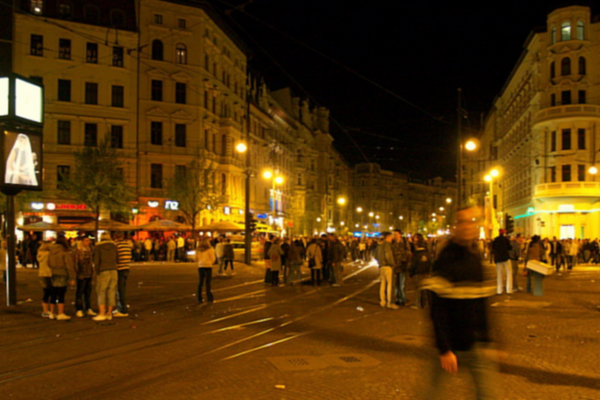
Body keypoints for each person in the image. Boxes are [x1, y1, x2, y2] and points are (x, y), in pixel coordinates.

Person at [422, 207, 499, 399]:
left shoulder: (475, 257)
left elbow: (482, 304)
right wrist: (444, 348)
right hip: (452, 342)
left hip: (476, 344)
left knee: (488, 395)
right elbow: (437, 309)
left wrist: (490, 340)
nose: (468, 226)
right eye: (462, 222)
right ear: (455, 227)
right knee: (431, 395)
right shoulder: (445, 260)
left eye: (472, 221)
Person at [48, 236, 76, 321]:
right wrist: (72, 277)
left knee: (53, 294)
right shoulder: (65, 252)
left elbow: (48, 263)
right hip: (63, 273)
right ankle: (60, 313)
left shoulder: (51, 251)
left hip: (53, 273)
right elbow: (69, 265)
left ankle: (52, 313)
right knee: (61, 294)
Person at [92, 232, 119, 321]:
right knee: (112, 291)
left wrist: (96, 272)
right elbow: (117, 259)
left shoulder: (98, 247)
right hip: (114, 270)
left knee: (101, 291)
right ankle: (109, 313)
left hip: (103, 270)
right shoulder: (114, 247)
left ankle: (102, 313)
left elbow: (96, 261)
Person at [410, 233, 432, 309]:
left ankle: (417, 304)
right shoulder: (427, 252)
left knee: (417, 289)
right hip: (426, 272)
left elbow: (413, 264)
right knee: (425, 290)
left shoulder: (416, 254)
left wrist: (411, 273)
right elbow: (430, 262)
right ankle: (425, 304)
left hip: (418, 273)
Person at [376, 232, 398, 309]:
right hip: (388, 266)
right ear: (388, 237)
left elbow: (376, 255)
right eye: (391, 236)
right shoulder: (387, 245)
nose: (392, 238)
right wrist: (392, 263)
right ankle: (390, 302)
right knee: (390, 285)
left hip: (381, 266)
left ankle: (382, 301)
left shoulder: (380, 245)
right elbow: (388, 255)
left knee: (382, 284)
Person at [75, 237, 96, 318]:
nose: (88, 242)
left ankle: (88, 308)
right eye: (86, 240)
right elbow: (76, 262)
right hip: (81, 273)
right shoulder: (78, 251)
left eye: (89, 241)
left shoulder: (90, 250)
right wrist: (78, 273)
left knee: (88, 292)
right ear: (82, 241)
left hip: (89, 273)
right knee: (80, 292)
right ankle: (79, 309)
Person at [114, 232, 133, 317]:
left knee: (120, 290)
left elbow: (115, 257)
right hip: (126, 268)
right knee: (123, 289)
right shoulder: (127, 245)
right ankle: (120, 307)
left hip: (119, 269)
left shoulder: (116, 245)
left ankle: (123, 309)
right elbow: (129, 256)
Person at [392, 229, 410, 306]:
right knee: (396, 284)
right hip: (395, 266)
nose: (395, 236)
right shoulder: (392, 243)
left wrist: (407, 263)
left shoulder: (405, 242)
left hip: (402, 266)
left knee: (401, 284)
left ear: (400, 234)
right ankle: (397, 298)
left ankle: (402, 298)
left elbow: (408, 253)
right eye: (394, 234)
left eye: (396, 234)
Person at [492, 229, 512, 295]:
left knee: (499, 274)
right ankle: (509, 289)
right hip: (505, 258)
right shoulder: (506, 240)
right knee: (509, 272)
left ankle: (499, 290)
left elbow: (493, 248)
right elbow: (510, 247)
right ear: (504, 233)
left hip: (498, 258)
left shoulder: (495, 240)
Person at [196, 238, 216, 303]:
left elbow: (196, 258)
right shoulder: (210, 249)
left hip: (200, 266)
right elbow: (213, 258)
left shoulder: (198, 250)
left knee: (200, 283)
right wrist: (210, 262)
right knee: (208, 283)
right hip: (208, 266)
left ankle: (199, 298)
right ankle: (209, 297)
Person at [37, 242, 52, 317]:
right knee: (50, 292)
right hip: (48, 273)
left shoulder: (40, 253)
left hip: (41, 273)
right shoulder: (49, 254)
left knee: (46, 292)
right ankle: (48, 310)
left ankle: (45, 310)